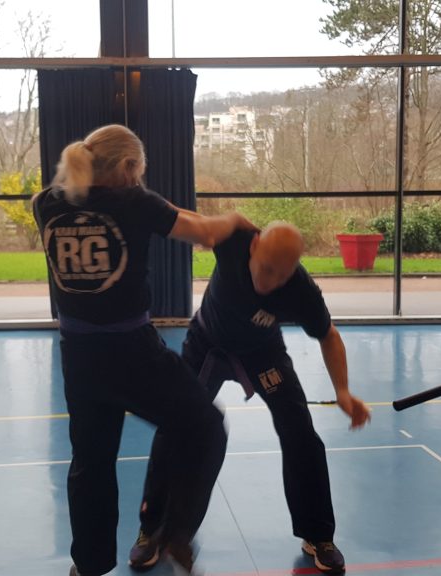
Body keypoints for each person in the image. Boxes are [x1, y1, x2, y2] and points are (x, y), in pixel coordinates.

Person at [32, 124, 256, 576]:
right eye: (137, 172)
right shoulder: (134, 202)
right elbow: (205, 232)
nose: (138, 180)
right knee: (206, 427)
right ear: (128, 167)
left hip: (79, 358)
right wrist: (234, 221)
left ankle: (88, 565)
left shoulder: (45, 203)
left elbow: (154, 209)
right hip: (133, 355)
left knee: (91, 464)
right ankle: (173, 533)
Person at [130, 221, 371, 575]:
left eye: (282, 276)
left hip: (263, 353)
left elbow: (329, 336)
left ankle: (318, 535)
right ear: (254, 246)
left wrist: (343, 391)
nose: (271, 281)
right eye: (267, 269)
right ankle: (152, 529)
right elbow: (188, 224)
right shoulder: (233, 241)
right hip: (207, 344)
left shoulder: (300, 290)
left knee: (300, 432)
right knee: (174, 427)